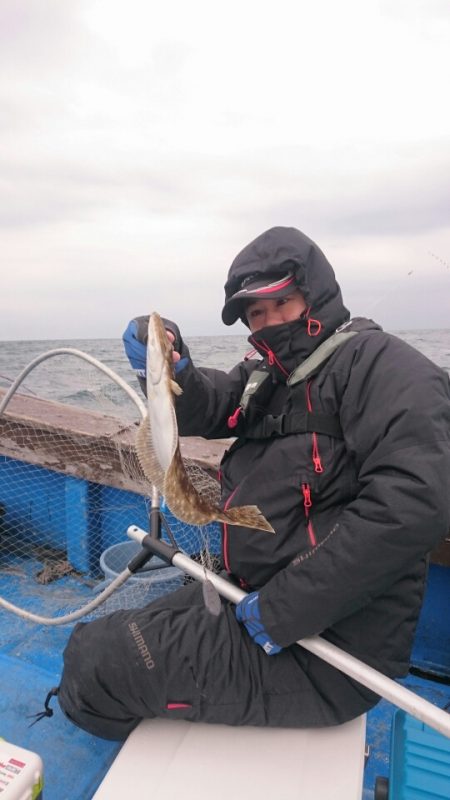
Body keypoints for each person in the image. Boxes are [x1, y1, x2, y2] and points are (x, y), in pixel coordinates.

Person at [58, 226, 450, 740]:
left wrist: (288, 607)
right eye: (255, 314)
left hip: (327, 650)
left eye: (280, 303)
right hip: (249, 593)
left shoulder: (386, 367)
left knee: (93, 667)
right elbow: (217, 403)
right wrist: (175, 370)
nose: (267, 322)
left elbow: (418, 501)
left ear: (316, 294)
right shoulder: (272, 372)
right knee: (99, 635)